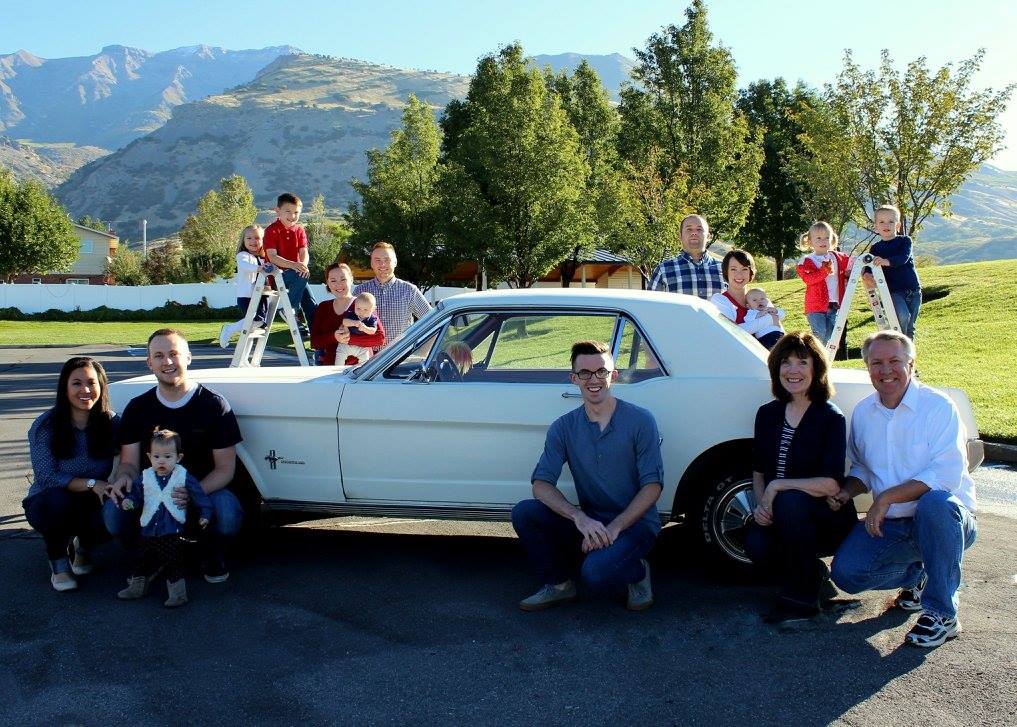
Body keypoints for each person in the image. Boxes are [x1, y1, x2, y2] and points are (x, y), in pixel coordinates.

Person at [830, 331, 977, 648]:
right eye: (876, 363)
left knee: (935, 503)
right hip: (895, 524)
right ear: (867, 367)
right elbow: (862, 468)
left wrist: (886, 498)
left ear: (911, 364)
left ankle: (943, 614)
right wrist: (845, 492)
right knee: (846, 574)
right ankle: (921, 575)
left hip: (946, 521)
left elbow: (946, 473)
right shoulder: (864, 413)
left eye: (894, 361)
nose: (886, 371)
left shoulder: (938, 407)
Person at [511, 340, 663, 612]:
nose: (594, 380)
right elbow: (541, 485)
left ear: (613, 375)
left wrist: (616, 527)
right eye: (585, 373)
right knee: (525, 512)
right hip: (592, 519)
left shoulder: (641, 421)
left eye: (601, 371)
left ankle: (638, 572)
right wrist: (578, 517)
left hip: (636, 524)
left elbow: (652, 486)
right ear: (574, 378)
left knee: (595, 574)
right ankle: (559, 585)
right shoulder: (563, 427)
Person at [107, 329, 244, 583]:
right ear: (149, 363)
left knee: (227, 512)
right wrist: (124, 477)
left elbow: (225, 469)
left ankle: (209, 552)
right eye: (159, 356)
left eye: (174, 353)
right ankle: (150, 555)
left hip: (202, 491)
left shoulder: (214, 405)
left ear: (188, 357)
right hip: (151, 492)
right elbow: (128, 463)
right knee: (112, 515)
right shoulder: (138, 408)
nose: (167, 361)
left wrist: (191, 492)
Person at [744, 333, 858, 625]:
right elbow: (759, 470)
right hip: (782, 512)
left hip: (825, 516)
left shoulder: (830, 417)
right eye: (786, 362)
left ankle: (803, 598)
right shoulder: (767, 414)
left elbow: (831, 484)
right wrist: (762, 506)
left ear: (816, 368)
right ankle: (810, 572)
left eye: (802, 362)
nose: (793, 370)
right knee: (756, 544)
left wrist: (777, 487)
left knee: (791, 500)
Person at [25, 357, 119, 592]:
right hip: (48, 500)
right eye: (77, 383)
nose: (85, 390)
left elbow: (130, 458)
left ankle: (83, 547)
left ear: (101, 386)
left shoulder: (112, 422)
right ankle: (59, 563)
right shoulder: (46, 425)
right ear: (64, 388)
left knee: (119, 508)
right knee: (57, 501)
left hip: (92, 499)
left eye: (91, 383)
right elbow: (47, 477)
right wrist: (92, 483)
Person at [116, 429, 213, 608]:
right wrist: (129, 502)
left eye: (168, 457)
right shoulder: (145, 476)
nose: (161, 461)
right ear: (149, 456)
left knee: (173, 561)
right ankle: (137, 588)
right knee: (141, 558)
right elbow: (136, 495)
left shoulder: (183, 476)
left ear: (179, 457)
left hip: (171, 529)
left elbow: (200, 496)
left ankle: (178, 594)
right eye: (157, 456)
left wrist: (205, 514)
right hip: (148, 528)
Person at [353, 241, 431, 347]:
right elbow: (349, 320)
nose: (382, 264)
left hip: (400, 354)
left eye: (387, 260)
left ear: (395, 262)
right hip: (367, 354)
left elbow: (431, 319)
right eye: (377, 260)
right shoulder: (360, 291)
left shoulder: (410, 291)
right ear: (372, 264)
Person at [862, 204, 922, 339]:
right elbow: (869, 264)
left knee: (910, 325)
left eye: (891, 221)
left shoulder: (905, 241)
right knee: (903, 317)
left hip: (913, 289)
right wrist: (867, 273)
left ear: (898, 225)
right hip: (894, 291)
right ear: (876, 226)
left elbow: (903, 258)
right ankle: (899, 343)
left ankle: (907, 349)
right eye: (881, 222)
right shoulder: (875, 248)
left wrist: (886, 261)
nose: (886, 225)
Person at [310, 263, 386, 366]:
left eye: (343, 279)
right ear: (327, 283)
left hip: (360, 370)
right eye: (333, 280)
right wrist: (334, 337)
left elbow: (380, 339)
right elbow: (314, 342)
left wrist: (350, 339)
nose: (338, 284)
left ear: (351, 279)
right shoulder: (323, 307)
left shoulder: (364, 304)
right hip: (330, 370)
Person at [264, 192, 316, 336]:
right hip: (277, 276)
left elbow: (304, 252)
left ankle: (317, 338)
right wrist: (294, 265)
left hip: (297, 275)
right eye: (288, 211)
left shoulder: (300, 230)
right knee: (300, 275)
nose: (292, 216)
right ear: (278, 211)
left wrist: (302, 265)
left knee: (311, 304)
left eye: (296, 212)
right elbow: (272, 257)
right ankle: (290, 310)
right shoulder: (271, 230)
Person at [795, 221, 852, 345]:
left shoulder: (838, 257)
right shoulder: (807, 261)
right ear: (810, 241)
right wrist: (824, 271)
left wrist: (855, 270)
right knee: (819, 334)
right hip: (815, 306)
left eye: (827, 237)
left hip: (834, 305)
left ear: (832, 239)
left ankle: (825, 356)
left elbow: (852, 264)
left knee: (831, 336)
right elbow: (808, 279)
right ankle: (813, 353)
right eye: (819, 238)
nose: (823, 241)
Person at [710, 250, 781, 345]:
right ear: (726, 272)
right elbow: (732, 332)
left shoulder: (759, 297)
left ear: (751, 272)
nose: (739, 274)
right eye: (733, 269)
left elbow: (778, 328)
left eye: (744, 269)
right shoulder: (719, 300)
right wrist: (769, 319)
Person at [649, 214, 725, 300]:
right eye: (689, 229)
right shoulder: (663, 270)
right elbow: (650, 304)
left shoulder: (725, 269)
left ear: (708, 236)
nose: (694, 233)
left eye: (699, 229)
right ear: (680, 236)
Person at [219, 224, 271, 349]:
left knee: (257, 324)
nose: (253, 241)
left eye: (257, 238)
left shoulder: (264, 258)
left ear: (263, 240)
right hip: (246, 296)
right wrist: (259, 268)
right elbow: (246, 266)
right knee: (253, 320)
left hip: (262, 296)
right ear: (243, 240)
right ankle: (229, 329)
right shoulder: (242, 256)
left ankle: (245, 354)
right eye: (249, 238)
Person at [336, 292, 380, 365]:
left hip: (361, 346)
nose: (361, 312)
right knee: (339, 358)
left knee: (364, 362)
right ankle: (337, 369)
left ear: (373, 309)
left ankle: (362, 370)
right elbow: (344, 322)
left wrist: (365, 328)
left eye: (365, 309)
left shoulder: (372, 319)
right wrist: (354, 323)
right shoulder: (351, 314)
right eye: (358, 308)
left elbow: (373, 331)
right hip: (345, 345)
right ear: (354, 306)